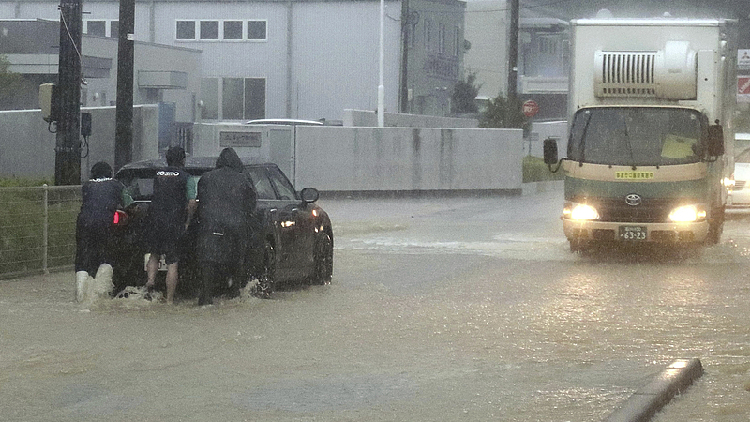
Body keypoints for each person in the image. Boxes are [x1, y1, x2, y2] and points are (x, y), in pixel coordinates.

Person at [196, 147, 256, 306]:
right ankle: (234, 293)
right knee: (236, 261)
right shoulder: (243, 179)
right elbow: (251, 204)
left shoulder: (206, 178)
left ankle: (206, 296)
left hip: (211, 226)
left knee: (208, 262)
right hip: (236, 227)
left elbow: (200, 202)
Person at [144, 146, 197, 304]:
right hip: (174, 222)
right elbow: (192, 202)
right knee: (172, 262)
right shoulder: (186, 177)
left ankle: (151, 281)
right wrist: (188, 221)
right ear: (183, 160)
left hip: (155, 220)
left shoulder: (158, 175)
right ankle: (169, 299)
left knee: (154, 254)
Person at [75, 161, 134, 302]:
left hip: (84, 224)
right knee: (107, 256)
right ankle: (100, 297)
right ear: (110, 173)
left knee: (83, 260)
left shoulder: (87, 185)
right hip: (106, 225)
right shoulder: (117, 185)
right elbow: (130, 205)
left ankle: (80, 296)